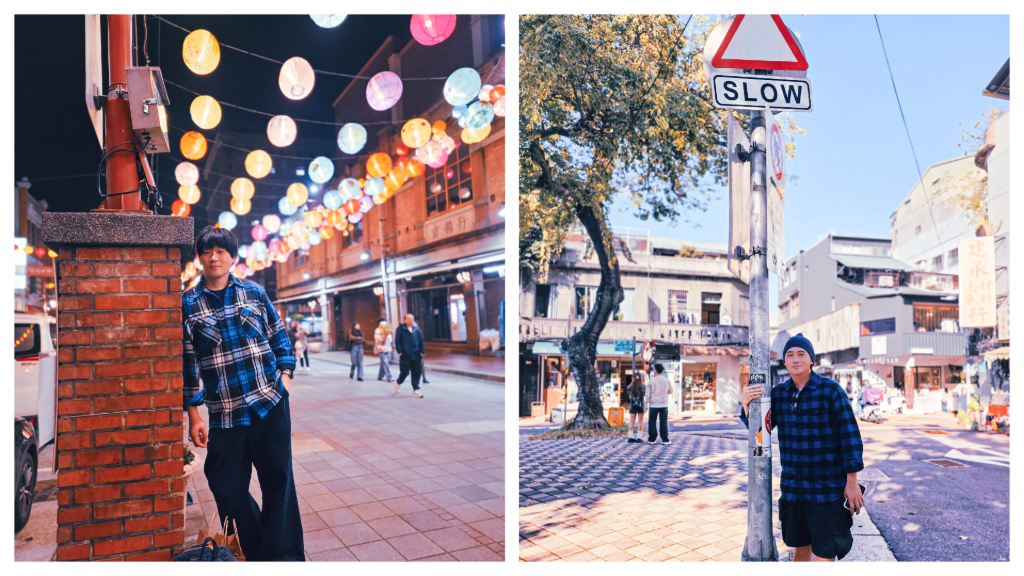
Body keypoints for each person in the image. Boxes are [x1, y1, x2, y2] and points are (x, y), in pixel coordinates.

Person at [182, 226, 304, 561]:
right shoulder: (188, 304)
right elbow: (188, 364)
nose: (214, 257)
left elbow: (280, 341)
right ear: (200, 257)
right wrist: (194, 414)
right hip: (225, 414)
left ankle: (286, 559)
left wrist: (285, 380)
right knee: (226, 488)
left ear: (233, 257)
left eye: (221, 251)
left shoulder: (254, 293)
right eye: (208, 251)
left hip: (269, 406)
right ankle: (257, 553)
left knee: (279, 486)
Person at [739, 333, 864, 562]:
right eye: (790, 355)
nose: (795, 359)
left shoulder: (831, 391)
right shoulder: (777, 395)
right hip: (793, 490)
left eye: (801, 354)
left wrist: (852, 482)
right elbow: (760, 434)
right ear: (784, 362)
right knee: (799, 550)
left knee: (825, 554)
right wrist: (747, 405)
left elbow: (850, 437)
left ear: (811, 360)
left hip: (826, 490)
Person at [395, 313, 425, 398]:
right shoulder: (401, 329)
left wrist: (422, 351)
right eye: (408, 319)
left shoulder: (416, 329)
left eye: (412, 318)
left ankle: (415, 389)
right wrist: (400, 352)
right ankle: (398, 382)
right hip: (405, 354)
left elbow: (421, 340)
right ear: (404, 320)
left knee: (416, 372)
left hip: (416, 354)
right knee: (404, 372)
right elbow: (397, 340)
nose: (411, 320)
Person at [646, 364, 671, 445]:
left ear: (655, 370)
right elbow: (671, 391)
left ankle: (652, 439)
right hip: (664, 404)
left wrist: (645, 405)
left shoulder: (650, 382)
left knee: (652, 422)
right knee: (663, 422)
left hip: (653, 405)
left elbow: (647, 395)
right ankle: (665, 439)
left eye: (653, 369)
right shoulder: (667, 381)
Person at [626, 375, 646, 443]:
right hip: (641, 405)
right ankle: (639, 438)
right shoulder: (643, 386)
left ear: (633, 378)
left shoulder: (629, 386)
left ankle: (630, 437)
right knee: (640, 422)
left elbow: (628, 395)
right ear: (641, 378)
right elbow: (645, 394)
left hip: (632, 405)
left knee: (631, 422)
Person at [374, 318, 394, 382]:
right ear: (379, 323)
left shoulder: (387, 330)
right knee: (385, 362)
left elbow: (390, 339)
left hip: (387, 348)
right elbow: (379, 340)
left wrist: (389, 334)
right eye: (382, 322)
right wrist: (384, 335)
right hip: (381, 348)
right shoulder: (377, 330)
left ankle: (380, 376)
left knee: (383, 363)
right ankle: (389, 377)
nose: (383, 323)